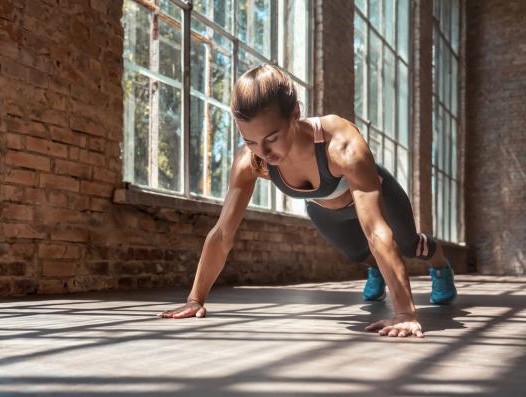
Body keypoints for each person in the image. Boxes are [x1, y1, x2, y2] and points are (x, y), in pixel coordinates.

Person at [158, 64, 457, 338]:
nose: (262, 151)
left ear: (296, 113)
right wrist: (195, 299)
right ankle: (376, 269)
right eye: (250, 141)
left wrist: (404, 312)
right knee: (360, 255)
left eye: (271, 138)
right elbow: (222, 233)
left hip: (375, 195)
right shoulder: (250, 160)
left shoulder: (341, 143)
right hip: (326, 209)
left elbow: (376, 228)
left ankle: (440, 265)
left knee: (405, 245)